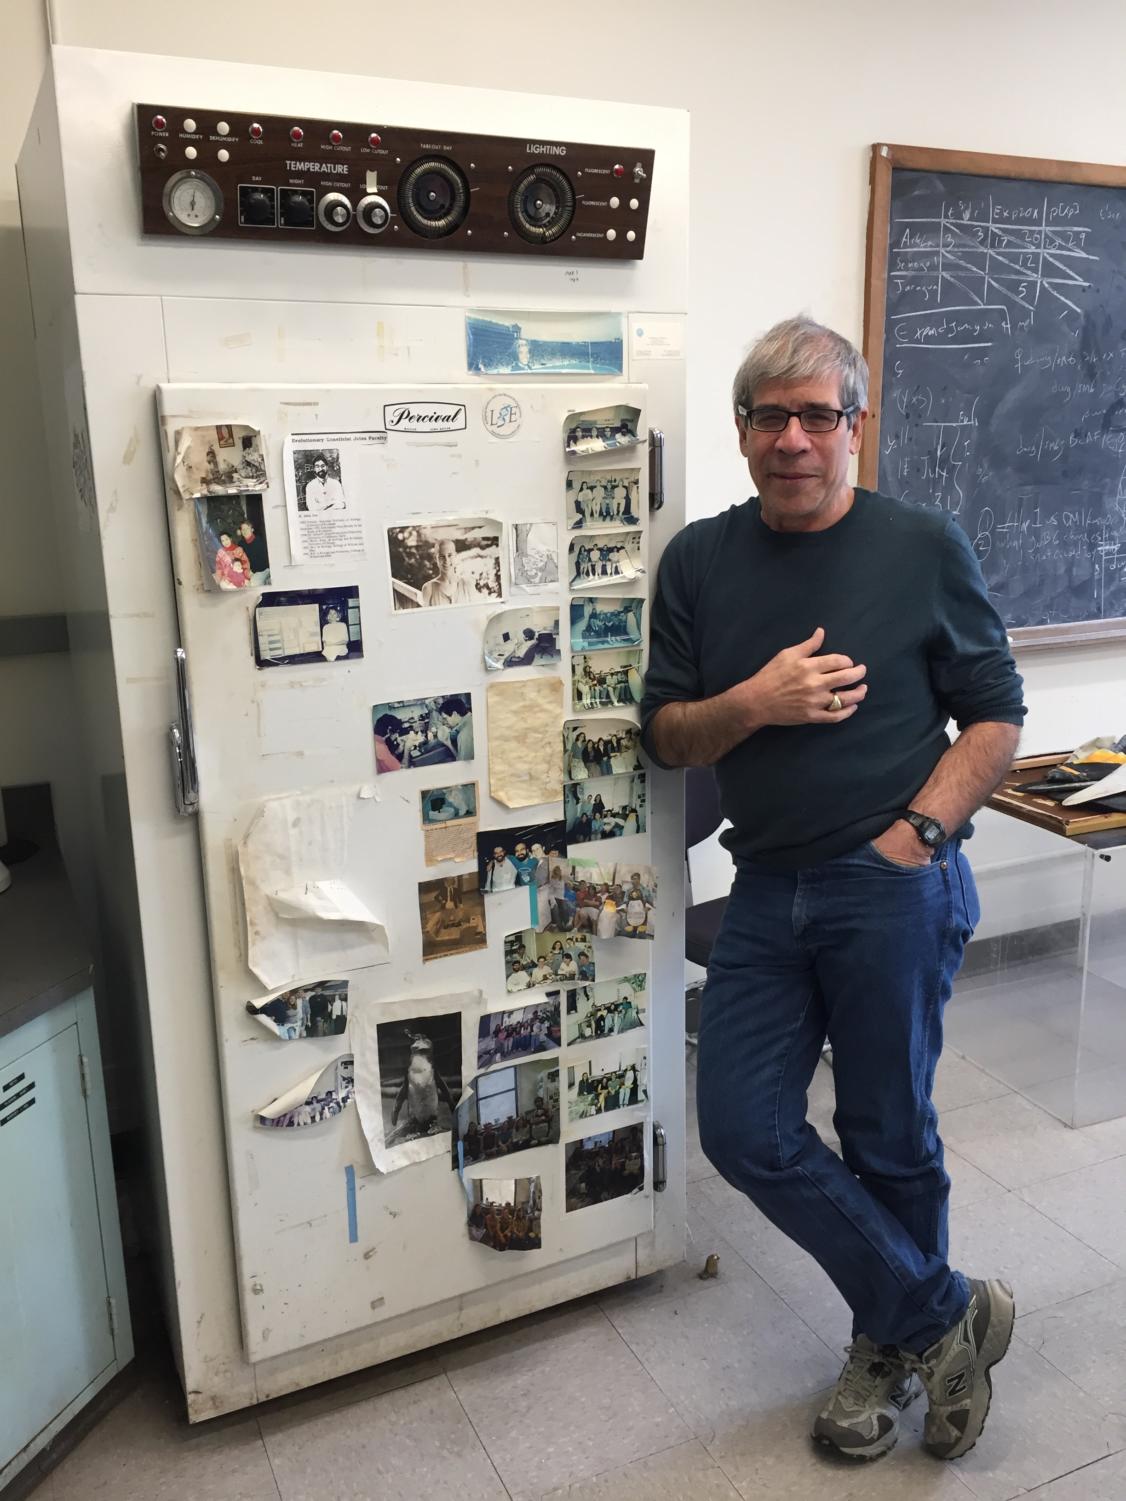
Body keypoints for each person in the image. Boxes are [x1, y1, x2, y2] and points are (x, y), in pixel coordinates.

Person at [641, 316, 1025, 1465]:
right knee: (744, 1128)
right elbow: (665, 732)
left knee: (886, 1133)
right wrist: (753, 702)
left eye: (818, 415)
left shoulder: (919, 544)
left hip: (891, 885)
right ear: (742, 431)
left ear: (854, 427)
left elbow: (996, 714)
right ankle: (939, 1311)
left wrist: (917, 833)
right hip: (767, 885)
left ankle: (883, 1351)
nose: (793, 439)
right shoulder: (699, 561)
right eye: (771, 417)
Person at [421, 538, 475, 607]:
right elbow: (426, 617)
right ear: (435, 559)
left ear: (455, 556)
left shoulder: (467, 584)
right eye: (441, 557)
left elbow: (476, 613)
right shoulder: (428, 588)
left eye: (449, 555)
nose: (446, 560)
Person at [437, 696, 474, 761]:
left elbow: (463, 765)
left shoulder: (463, 736)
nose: (444, 722)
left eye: (445, 718)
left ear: (454, 714)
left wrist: (448, 744)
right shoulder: (472, 718)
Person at [238, 518, 270, 582]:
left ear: (252, 529)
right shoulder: (241, 544)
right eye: (243, 529)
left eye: (247, 529)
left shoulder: (260, 541)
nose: (245, 531)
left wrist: (251, 572)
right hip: (249, 571)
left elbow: (264, 562)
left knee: (254, 583)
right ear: (240, 532)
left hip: (263, 570)